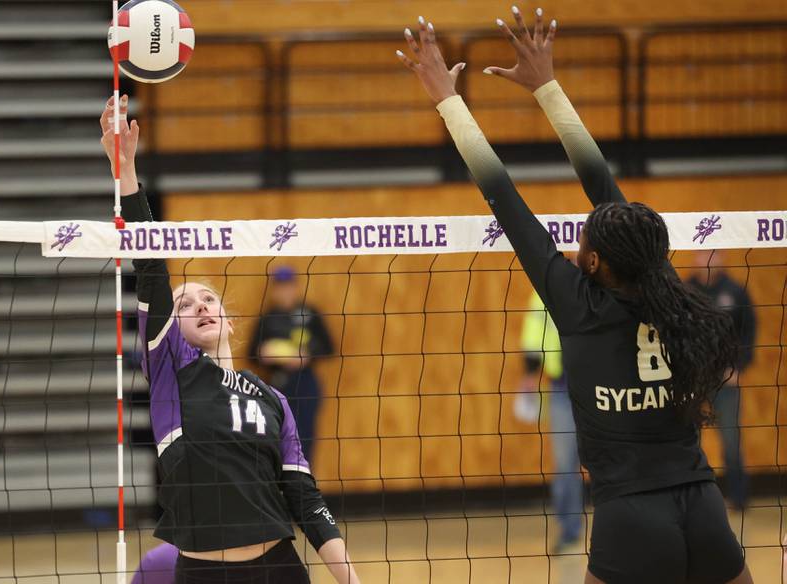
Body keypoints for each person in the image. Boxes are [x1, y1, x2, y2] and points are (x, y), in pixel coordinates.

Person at [397, 8, 752, 584]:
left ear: (593, 261)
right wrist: (547, 88)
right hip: (701, 501)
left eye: (586, 236)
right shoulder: (664, 282)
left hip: (630, 515)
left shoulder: (577, 302)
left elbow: (502, 196)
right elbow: (601, 185)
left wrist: (447, 99)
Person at [100, 96, 360, 584]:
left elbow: (304, 496)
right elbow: (152, 268)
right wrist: (126, 170)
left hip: (281, 569)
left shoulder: (273, 399)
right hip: (205, 573)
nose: (198, 305)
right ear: (167, 331)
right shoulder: (171, 373)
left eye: (209, 298)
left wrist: (350, 578)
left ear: (230, 320)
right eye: (183, 305)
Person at [515, 290, 583, 553]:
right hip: (562, 388)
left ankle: (618, 529)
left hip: (601, 387)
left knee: (611, 458)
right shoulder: (544, 288)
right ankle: (569, 531)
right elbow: (534, 333)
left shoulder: (601, 280)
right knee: (565, 463)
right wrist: (530, 374)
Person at [688, 251, 756, 510]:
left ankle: (738, 499)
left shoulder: (735, 291)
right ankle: (693, 500)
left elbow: (749, 330)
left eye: (713, 254)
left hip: (726, 379)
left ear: (723, 257)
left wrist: (739, 367)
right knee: (690, 441)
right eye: (702, 253)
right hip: (694, 379)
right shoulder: (686, 290)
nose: (707, 259)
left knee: (730, 440)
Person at [250, 266, 334, 463]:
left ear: (296, 288)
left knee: (305, 437)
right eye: (280, 287)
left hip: (306, 382)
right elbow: (251, 354)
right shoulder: (267, 319)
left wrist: (307, 356)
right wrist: (264, 354)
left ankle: (304, 485)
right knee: (278, 436)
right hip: (277, 384)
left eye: (288, 286)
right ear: (274, 290)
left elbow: (329, 348)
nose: (284, 291)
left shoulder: (310, 314)